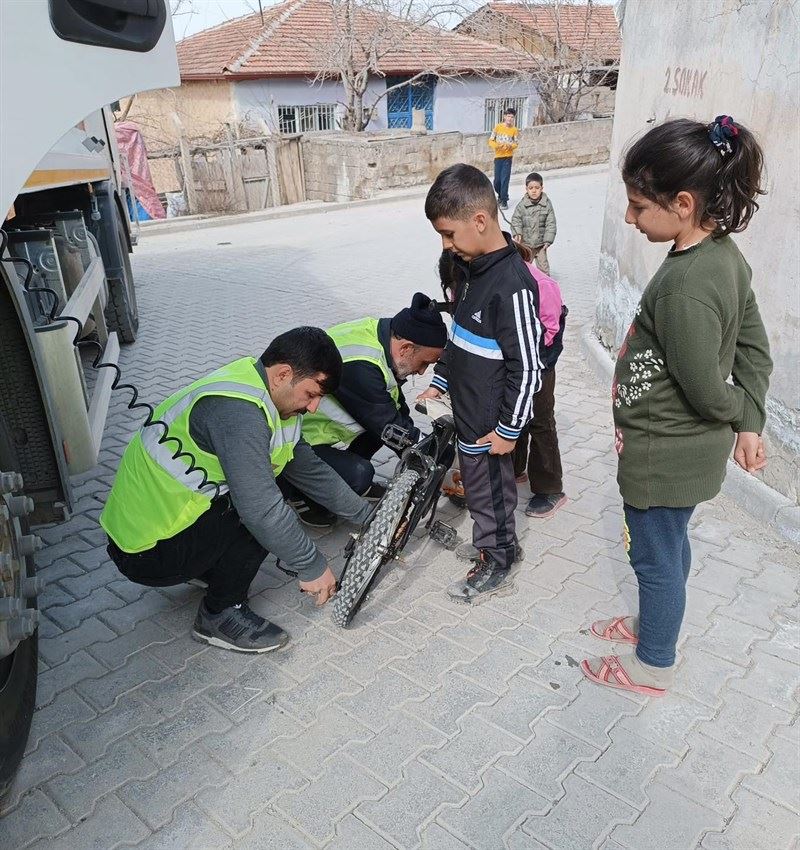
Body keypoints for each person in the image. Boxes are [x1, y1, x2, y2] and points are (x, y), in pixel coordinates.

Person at [581, 116, 772, 697]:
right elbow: (755, 347)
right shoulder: (721, 254)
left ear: (683, 204)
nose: (630, 218)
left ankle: (653, 662)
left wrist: (739, 414)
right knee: (670, 547)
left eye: (639, 206)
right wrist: (750, 420)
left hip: (663, 453)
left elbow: (707, 390)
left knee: (652, 558)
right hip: (680, 452)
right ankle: (651, 626)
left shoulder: (689, 285)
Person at [101, 328, 373, 654]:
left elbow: (311, 471)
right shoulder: (240, 413)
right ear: (282, 374)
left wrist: (368, 517)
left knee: (266, 494)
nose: (314, 408)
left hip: (162, 528)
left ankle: (208, 568)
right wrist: (312, 566)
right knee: (260, 513)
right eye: (311, 394)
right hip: (145, 550)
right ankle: (220, 614)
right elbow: (261, 511)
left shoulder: (271, 397)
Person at [420, 163, 543, 604]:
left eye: (449, 234)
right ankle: (494, 541)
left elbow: (528, 367)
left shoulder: (512, 286)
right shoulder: (470, 271)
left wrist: (510, 429)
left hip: (493, 425)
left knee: (491, 492)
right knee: (479, 489)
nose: (446, 245)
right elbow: (460, 337)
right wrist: (440, 379)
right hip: (469, 412)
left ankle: (499, 559)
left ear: (479, 221)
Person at [291, 293, 447, 526]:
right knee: (361, 474)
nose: (423, 372)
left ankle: (339, 475)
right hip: (294, 444)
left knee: (383, 432)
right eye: (424, 363)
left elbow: (396, 410)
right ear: (405, 349)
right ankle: (298, 494)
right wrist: (434, 466)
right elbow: (389, 424)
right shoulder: (361, 365)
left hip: (322, 430)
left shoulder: (384, 339)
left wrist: (434, 459)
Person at [512, 255, 568, 517]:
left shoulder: (542, 284)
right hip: (512, 361)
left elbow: (549, 330)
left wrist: (524, 357)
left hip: (540, 359)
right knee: (514, 412)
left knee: (540, 419)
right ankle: (514, 469)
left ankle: (550, 489)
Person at [510, 172, 557, 274]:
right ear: (526, 189)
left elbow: (551, 223)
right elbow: (516, 220)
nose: (534, 191)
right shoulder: (522, 205)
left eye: (537, 188)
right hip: (526, 244)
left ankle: (545, 285)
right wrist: (517, 233)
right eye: (531, 188)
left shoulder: (547, 205)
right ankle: (525, 283)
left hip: (541, 245)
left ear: (542, 188)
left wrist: (548, 240)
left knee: (543, 268)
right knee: (525, 267)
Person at [489, 107, 519, 210]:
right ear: (504, 117)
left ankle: (504, 200)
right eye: (508, 116)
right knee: (497, 181)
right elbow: (491, 140)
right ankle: (501, 196)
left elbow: (516, 143)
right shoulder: (497, 128)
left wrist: (510, 146)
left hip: (508, 157)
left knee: (505, 179)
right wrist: (497, 146)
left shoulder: (514, 130)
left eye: (512, 117)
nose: (510, 119)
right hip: (498, 157)